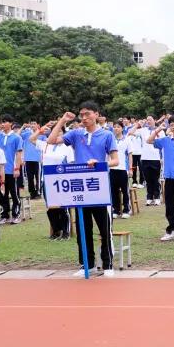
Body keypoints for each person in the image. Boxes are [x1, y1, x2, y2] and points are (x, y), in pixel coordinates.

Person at [46, 101, 120, 277]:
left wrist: (100, 164)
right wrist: (62, 121)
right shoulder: (76, 133)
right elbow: (51, 140)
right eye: (82, 115)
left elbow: (115, 160)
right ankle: (87, 264)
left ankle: (108, 264)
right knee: (82, 228)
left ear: (96, 114)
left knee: (104, 228)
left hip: (98, 186)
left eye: (88, 114)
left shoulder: (107, 135)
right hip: (80, 188)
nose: (84, 118)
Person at [30, 122, 76, 239]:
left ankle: (66, 231)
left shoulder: (67, 147)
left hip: (62, 180)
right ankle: (56, 231)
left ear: (63, 133)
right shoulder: (46, 144)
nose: (56, 133)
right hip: (47, 179)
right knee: (51, 208)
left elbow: (71, 163)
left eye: (59, 131)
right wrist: (40, 130)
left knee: (62, 207)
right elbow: (32, 139)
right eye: (53, 131)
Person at [0, 116, 24, 224]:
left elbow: (18, 154)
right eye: (1, 122)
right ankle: (4, 214)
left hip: (11, 169)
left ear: (11, 123)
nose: (2, 124)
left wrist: (17, 168)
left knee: (14, 194)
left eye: (4, 122)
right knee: (2, 194)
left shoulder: (16, 137)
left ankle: (16, 214)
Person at [137, 117, 163, 206]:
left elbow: (162, 144)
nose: (148, 121)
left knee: (155, 179)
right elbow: (131, 132)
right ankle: (149, 197)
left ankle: (157, 197)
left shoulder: (160, 130)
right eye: (147, 120)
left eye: (150, 120)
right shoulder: (143, 130)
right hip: (144, 158)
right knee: (147, 180)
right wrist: (138, 124)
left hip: (155, 158)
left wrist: (162, 157)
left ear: (154, 121)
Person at [110, 122, 133, 219]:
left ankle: (127, 209)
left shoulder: (127, 140)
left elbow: (130, 155)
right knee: (113, 191)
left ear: (122, 128)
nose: (116, 129)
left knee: (125, 190)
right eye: (114, 127)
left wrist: (130, 168)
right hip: (112, 169)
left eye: (118, 127)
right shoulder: (110, 140)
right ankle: (116, 210)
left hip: (123, 169)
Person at [21, 121, 43, 200]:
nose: (33, 125)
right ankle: (32, 193)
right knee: (29, 178)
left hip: (38, 159)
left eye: (34, 124)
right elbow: (17, 135)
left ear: (38, 125)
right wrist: (23, 127)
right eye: (31, 124)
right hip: (28, 159)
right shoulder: (27, 133)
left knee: (38, 178)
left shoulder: (42, 134)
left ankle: (39, 192)